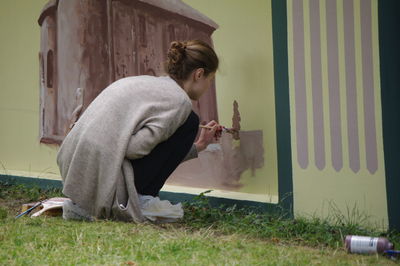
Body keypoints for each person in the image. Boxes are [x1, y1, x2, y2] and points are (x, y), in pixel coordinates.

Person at [57, 40, 220, 222]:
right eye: (210, 80)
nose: (208, 87)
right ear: (199, 74)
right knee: (190, 122)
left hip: (74, 170)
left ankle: (82, 205)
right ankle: (140, 200)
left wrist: (200, 146)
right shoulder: (179, 101)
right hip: (104, 178)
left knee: (186, 123)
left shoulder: (142, 83)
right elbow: (134, 150)